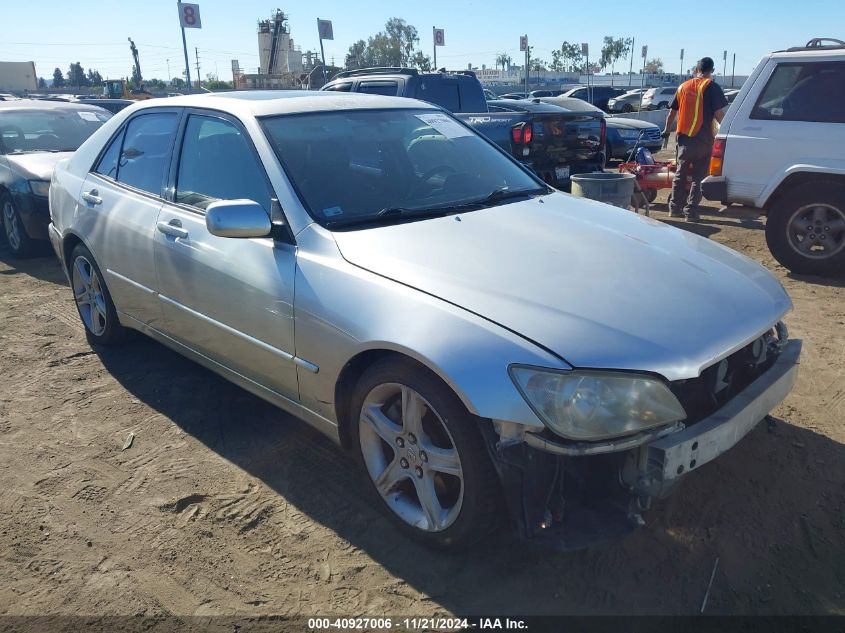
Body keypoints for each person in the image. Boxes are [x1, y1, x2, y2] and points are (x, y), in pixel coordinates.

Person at [662, 57, 728, 221]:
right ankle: (691, 212)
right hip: (703, 139)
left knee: (680, 173)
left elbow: (672, 113)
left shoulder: (682, 87)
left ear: (695, 69)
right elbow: (719, 114)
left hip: (683, 139)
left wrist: (666, 130)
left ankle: (674, 208)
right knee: (699, 177)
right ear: (711, 71)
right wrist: (726, 131)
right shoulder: (712, 87)